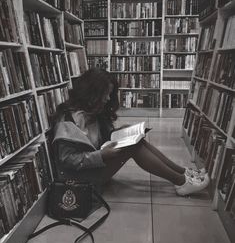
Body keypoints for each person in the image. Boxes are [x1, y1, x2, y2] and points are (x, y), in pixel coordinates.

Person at [52, 68, 209, 196]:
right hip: (80, 179)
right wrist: (101, 155)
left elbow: (96, 141)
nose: (108, 98)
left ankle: (185, 173)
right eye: (105, 93)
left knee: (136, 140)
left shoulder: (92, 112)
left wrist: (121, 132)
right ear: (92, 92)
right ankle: (181, 182)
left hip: (93, 167)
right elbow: (66, 160)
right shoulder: (68, 119)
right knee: (133, 147)